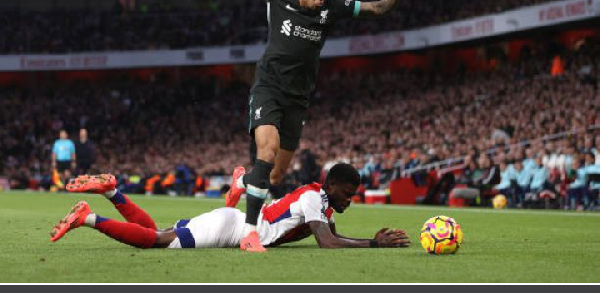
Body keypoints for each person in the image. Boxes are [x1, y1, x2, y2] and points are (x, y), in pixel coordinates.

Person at [227, 0, 420, 252]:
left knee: (273, 177)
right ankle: (249, 234)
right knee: (266, 153)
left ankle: (241, 183)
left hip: (298, 98)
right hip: (269, 87)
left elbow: (378, 9)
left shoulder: (332, 5)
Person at [50, 164, 410, 250]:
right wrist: (374, 244)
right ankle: (89, 217)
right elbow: (327, 243)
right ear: (332, 185)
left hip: (240, 222)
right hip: (237, 227)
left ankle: (113, 193)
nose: (350, 199)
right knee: (157, 241)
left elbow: (331, 233)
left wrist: (367, 241)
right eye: (348, 192)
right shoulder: (316, 197)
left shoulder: (323, 203)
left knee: (157, 230)